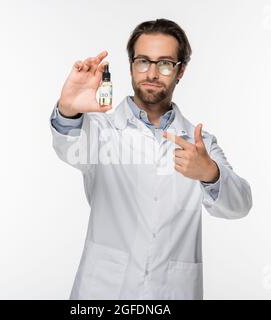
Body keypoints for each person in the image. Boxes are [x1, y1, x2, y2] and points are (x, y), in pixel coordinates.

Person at [49, 18, 252, 300]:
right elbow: (68, 147)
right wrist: (69, 111)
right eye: (143, 61)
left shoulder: (199, 144)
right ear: (131, 65)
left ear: (180, 71)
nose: (152, 73)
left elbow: (240, 205)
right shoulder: (102, 130)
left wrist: (210, 174)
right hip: (104, 292)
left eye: (166, 63)